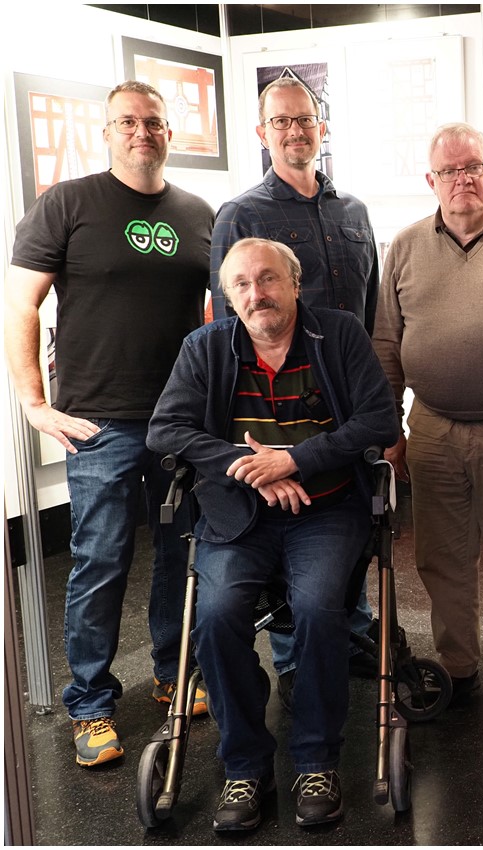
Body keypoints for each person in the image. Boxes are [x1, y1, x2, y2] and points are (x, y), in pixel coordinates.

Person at [147, 238, 399, 831]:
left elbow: (379, 420)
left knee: (317, 608)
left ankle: (316, 760)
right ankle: (244, 765)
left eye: (267, 279)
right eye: (241, 285)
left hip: (327, 507)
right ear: (227, 296)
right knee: (216, 615)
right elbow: (166, 431)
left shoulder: (338, 335)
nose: (256, 293)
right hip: (238, 512)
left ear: (295, 282)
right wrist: (251, 466)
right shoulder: (205, 347)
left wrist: (296, 461)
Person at [4, 80, 213, 767]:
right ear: (107, 131)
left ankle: (172, 672)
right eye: (127, 122)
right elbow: (22, 307)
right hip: (99, 423)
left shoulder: (197, 212)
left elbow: (222, 310)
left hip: (180, 419)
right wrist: (34, 402)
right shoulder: (67, 204)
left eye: (152, 122)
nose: (141, 133)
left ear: (168, 133)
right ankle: (90, 705)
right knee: (100, 562)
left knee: (182, 554)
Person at [210, 75, 381, 707]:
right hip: (276, 407)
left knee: (353, 529)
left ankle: (348, 640)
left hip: (349, 407)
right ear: (262, 134)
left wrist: (384, 414)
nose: (294, 130)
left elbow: (372, 313)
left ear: (322, 127)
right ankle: (296, 659)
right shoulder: (242, 215)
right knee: (296, 551)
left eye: (304, 119)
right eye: (280, 122)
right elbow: (228, 322)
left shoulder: (353, 212)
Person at [373, 123, 483, 713]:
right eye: (449, 171)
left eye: (474, 166)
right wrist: (389, 430)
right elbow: (387, 344)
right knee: (440, 554)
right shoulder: (405, 246)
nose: (463, 179)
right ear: (431, 181)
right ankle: (457, 662)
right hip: (433, 426)